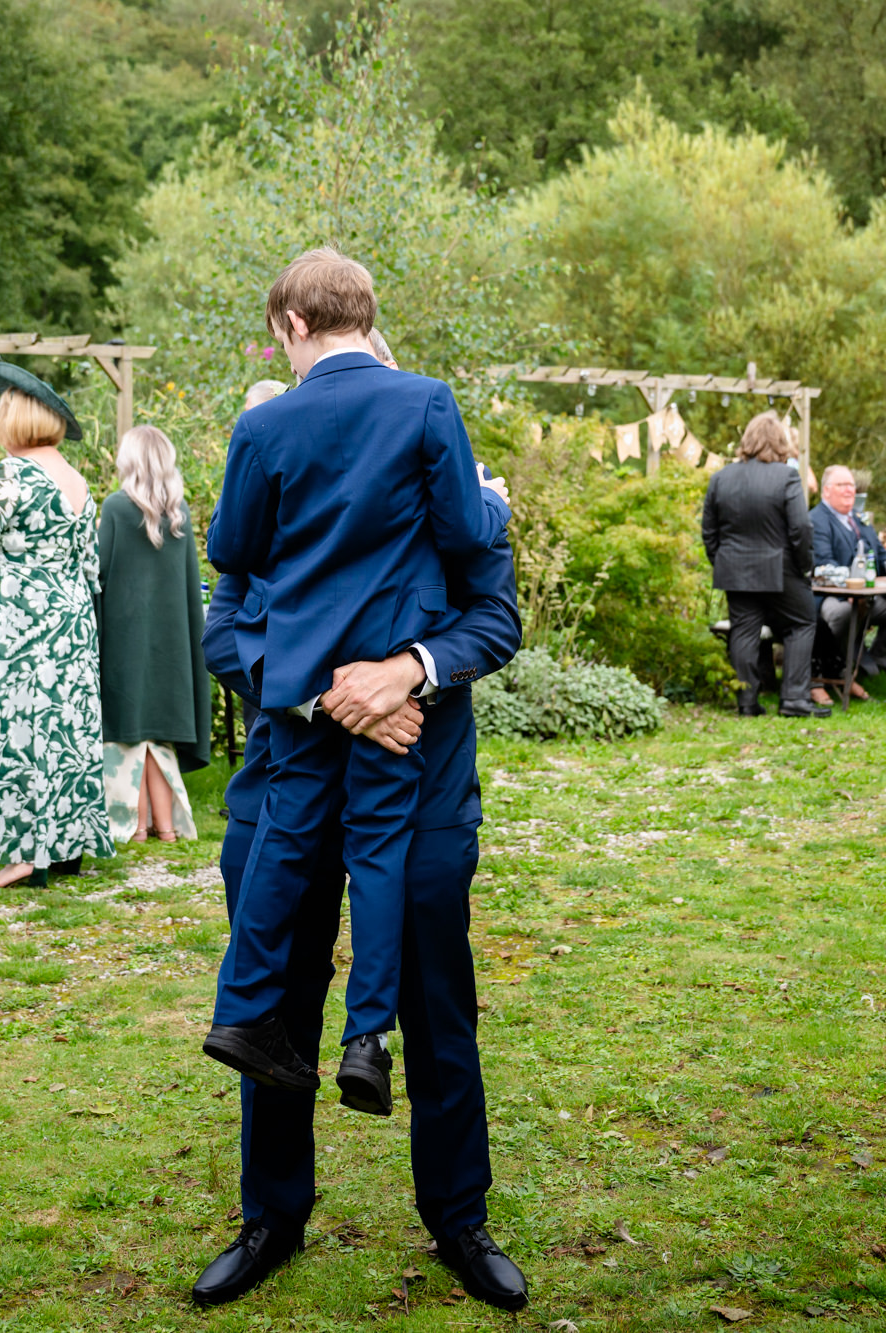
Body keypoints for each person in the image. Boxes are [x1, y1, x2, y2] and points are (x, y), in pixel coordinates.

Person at [194, 474, 527, 1314]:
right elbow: (226, 629)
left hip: (424, 798)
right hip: (282, 795)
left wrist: (410, 673)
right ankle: (271, 1218)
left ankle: (459, 1219)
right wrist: (334, 698)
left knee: (439, 1008)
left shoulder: (455, 491)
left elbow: (494, 618)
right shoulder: (277, 482)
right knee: (270, 1010)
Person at [205, 248, 508, 1117]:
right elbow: (461, 526)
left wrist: (403, 675)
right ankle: (363, 1040)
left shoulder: (265, 431)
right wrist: (492, 499)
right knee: (360, 852)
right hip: (330, 722)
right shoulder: (425, 409)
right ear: (366, 320)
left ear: (294, 325)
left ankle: (244, 1010)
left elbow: (231, 550)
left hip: (389, 720)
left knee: (310, 857)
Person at [0, 362, 113, 888]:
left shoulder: (9, 478)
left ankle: (24, 853)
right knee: (65, 729)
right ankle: (66, 846)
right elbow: (91, 567)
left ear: (13, 420)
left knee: (20, 731)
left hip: (19, 626)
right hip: (73, 623)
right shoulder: (77, 480)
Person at [97, 424, 212, 842]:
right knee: (157, 734)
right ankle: (164, 827)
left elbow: (99, 575)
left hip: (125, 644)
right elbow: (189, 589)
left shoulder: (115, 508)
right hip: (171, 646)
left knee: (132, 731)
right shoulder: (177, 516)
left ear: (130, 462)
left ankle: (138, 826)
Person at [701, 412, 829, 719]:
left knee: (743, 632)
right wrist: (803, 566)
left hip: (734, 569)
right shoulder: (786, 477)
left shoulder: (721, 477)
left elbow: (709, 531)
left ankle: (747, 703)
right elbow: (800, 528)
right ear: (780, 442)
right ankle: (794, 699)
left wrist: (722, 561)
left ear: (748, 439)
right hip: (781, 568)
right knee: (802, 623)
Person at [810, 464, 886, 701]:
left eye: (852, 485)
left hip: (871, 595)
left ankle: (875, 664)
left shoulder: (859, 519)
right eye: (842, 485)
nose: (850, 490)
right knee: (844, 614)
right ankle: (840, 666)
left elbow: (882, 555)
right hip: (833, 597)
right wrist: (850, 586)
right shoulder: (817, 520)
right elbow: (824, 564)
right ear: (826, 490)